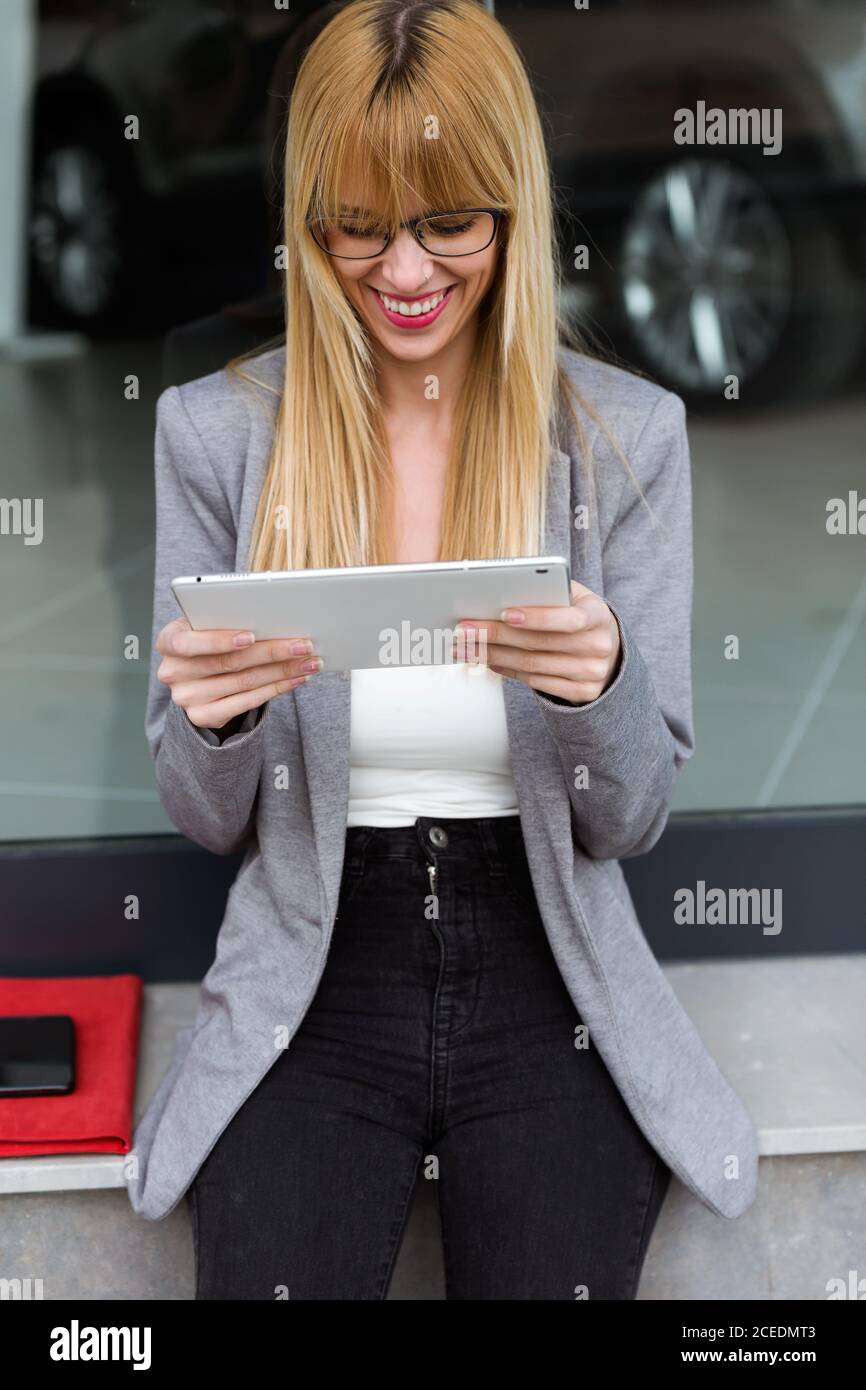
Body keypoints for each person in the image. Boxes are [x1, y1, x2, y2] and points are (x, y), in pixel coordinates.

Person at [128, 0, 758, 1300]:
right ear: (310, 221)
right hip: (318, 947)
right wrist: (217, 723)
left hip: (544, 952)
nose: (404, 273)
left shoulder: (620, 440)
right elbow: (202, 817)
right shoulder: (219, 435)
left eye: (447, 224)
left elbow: (629, 818)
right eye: (359, 227)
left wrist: (600, 686)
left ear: (512, 215)